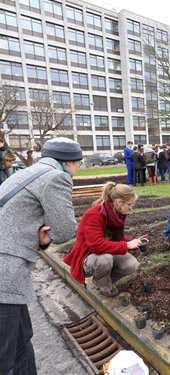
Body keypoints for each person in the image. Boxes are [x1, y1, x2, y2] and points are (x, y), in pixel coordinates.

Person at [0, 137, 83, 374]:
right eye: (78, 165)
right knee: (6, 356)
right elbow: (65, 229)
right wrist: (45, 236)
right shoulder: (55, 176)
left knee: (21, 340)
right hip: (5, 270)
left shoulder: (28, 172)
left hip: (7, 264)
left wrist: (39, 237)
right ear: (69, 163)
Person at [64, 182, 147, 297]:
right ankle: (104, 286)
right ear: (119, 202)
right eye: (129, 204)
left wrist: (133, 242)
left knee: (132, 264)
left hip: (103, 254)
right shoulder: (94, 215)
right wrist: (127, 246)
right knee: (105, 259)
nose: (130, 207)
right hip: (88, 258)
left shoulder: (116, 214)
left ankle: (101, 281)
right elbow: (97, 246)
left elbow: (117, 239)